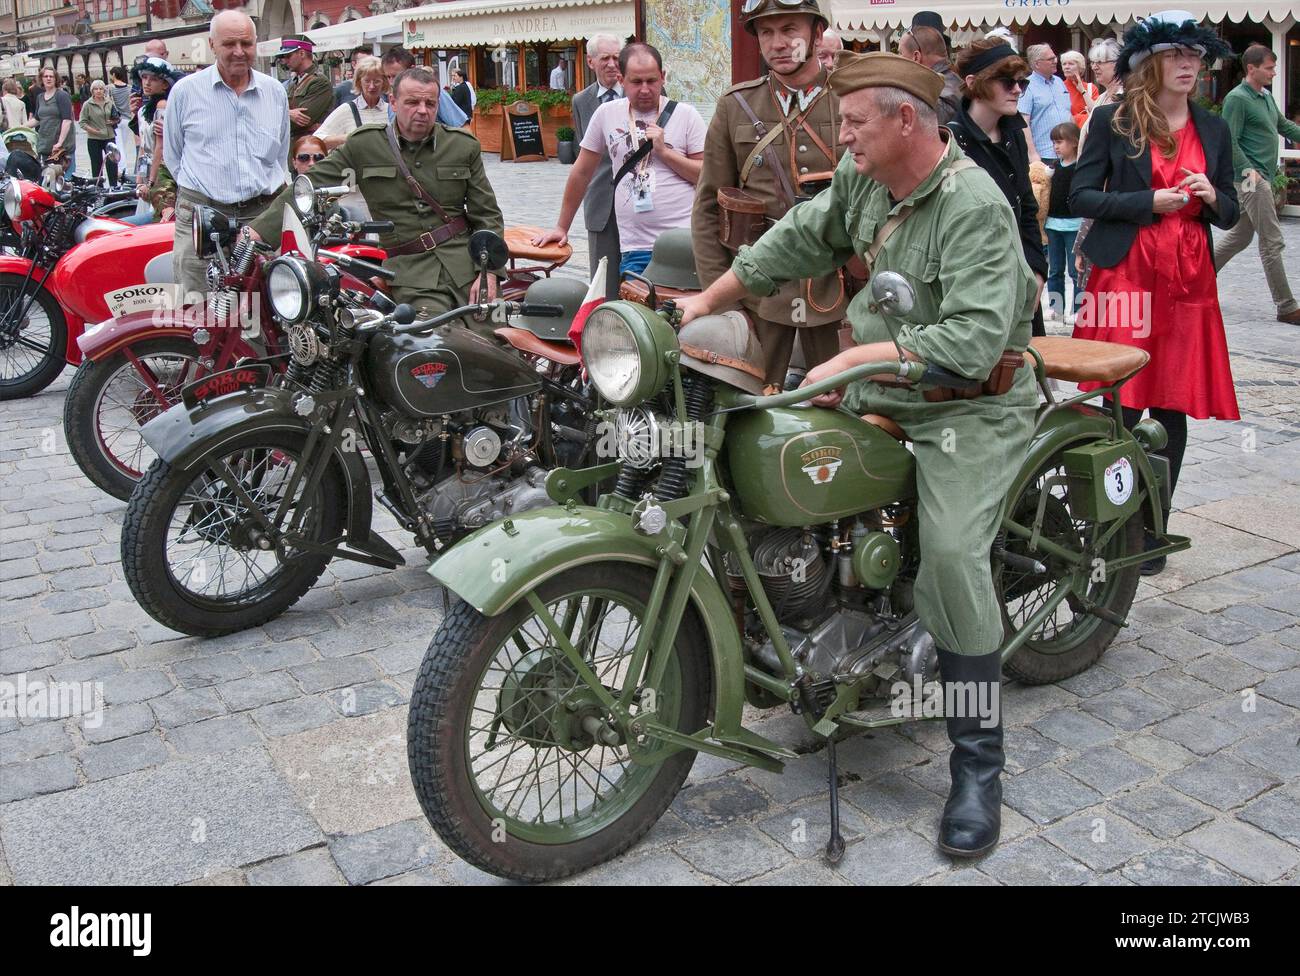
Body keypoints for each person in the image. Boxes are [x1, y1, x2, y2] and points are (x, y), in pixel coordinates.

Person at [679, 52, 1038, 860]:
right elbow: (800, 237)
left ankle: (979, 764)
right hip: (884, 386)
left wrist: (848, 362)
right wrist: (710, 297)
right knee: (766, 455)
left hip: (970, 407)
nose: (840, 137)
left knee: (950, 558)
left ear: (904, 120)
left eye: (852, 123)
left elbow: (979, 341)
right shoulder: (867, 183)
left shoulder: (974, 204)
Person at [1070, 11, 1239, 574]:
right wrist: (1148, 203)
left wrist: (1211, 194)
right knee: (1122, 402)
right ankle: (1112, 526)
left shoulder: (1213, 128)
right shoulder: (1114, 121)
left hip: (1189, 281)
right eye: (1175, 54)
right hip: (1127, 275)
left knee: (1171, 405)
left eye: (1195, 55)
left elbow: (1231, 211)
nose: (1189, 64)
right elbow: (1082, 198)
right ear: (1150, 64)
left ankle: (1151, 530)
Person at [249, 66, 503, 319]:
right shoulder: (365, 145)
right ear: (392, 102)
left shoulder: (461, 146)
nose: (423, 110)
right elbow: (309, 187)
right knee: (436, 343)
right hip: (412, 274)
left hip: (467, 267)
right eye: (412, 102)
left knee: (498, 345)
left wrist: (489, 272)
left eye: (430, 103)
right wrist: (257, 231)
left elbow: (487, 215)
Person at [693, 0, 847, 388]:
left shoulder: (850, 98)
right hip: (758, 289)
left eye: (790, 29)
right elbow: (709, 208)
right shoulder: (736, 106)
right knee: (746, 403)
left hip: (842, 287)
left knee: (849, 407)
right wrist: (724, 299)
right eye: (766, 32)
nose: (778, 43)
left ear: (816, 33)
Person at [534, 43, 706, 279]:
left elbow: (705, 175)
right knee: (639, 313)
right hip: (634, 246)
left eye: (652, 81)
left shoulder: (686, 115)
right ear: (622, 80)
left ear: (663, 78)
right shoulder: (607, 114)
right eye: (636, 82)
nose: (645, 89)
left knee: (682, 314)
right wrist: (561, 227)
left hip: (684, 244)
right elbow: (582, 172)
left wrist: (666, 153)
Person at [165, 10, 290, 303]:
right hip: (203, 216)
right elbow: (173, 157)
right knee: (199, 306)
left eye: (246, 44)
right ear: (212, 45)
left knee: (266, 309)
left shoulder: (274, 93)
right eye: (229, 44)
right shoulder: (186, 92)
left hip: (261, 215)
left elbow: (280, 156)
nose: (239, 52)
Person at [946, 38, 1048, 336]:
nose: (1017, 90)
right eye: (1007, 82)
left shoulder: (1013, 132)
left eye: (1021, 82)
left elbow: (1027, 209)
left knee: (1028, 371)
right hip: (976, 282)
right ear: (973, 82)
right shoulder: (951, 140)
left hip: (1021, 276)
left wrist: (1037, 271)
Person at [1213, 44, 1300, 325]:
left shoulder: (1264, 97)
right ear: (1251, 69)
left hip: (1262, 176)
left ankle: (1194, 279)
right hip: (1251, 180)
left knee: (1240, 236)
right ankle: (1287, 306)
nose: (1274, 72)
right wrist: (1251, 173)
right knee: (1272, 241)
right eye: (1270, 68)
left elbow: (1283, 125)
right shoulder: (1237, 99)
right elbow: (1229, 140)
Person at [568, 33, 624, 296]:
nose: (613, 64)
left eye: (617, 57)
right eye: (606, 58)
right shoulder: (582, 101)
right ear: (591, 62)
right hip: (600, 203)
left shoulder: (641, 91)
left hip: (639, 202)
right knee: (603, 282)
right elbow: (585, 157)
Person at [132, 58, 182, 223]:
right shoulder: (143, 110)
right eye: (144, 77)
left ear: (165, 84)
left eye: (153, 79)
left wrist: (151, 183)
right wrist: (139, 179)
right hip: (148, 169)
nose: (147, 83)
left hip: (160, 172)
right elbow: (142, 147)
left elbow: (160, 148)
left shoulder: (163, 105)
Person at [1045, 121, 1082, 321]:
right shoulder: (1053, 168)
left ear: (1074, 142)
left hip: (1074, 225)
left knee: (1076, 270)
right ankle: (1056, 307)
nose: (1056, 146)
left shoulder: (1080, 168)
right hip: (1053, 225)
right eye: (1054, 143)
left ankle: (1078, 309)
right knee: (1055, 269)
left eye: (1060, 142)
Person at [274, 34, 336, 153]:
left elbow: (303, 119)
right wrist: (288, 113)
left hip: (312, 153)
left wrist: (280, 114)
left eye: (288, 56)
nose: (284, 60)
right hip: (296, 150)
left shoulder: (319, 82)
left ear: (302, 54)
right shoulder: (294, 82)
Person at [381, 47, 467, 129]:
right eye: (388, 77)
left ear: (412, 69)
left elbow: (463, 127)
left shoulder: (434, 93)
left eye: (396, 76)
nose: (392, 83)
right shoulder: (393, 98)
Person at [316, 56, 388, 150]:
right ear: (359, 82)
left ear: (384, 82)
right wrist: (349, 138)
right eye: (367, 81)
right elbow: (316, 140)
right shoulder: (347, 110)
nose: (372, 86)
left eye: (377, 81)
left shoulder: (391, 110)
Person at [1018, 44, 1071, 164]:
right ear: (1037, 64)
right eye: (1050, 59)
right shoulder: (1027, 86)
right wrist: (1032, 154)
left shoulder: (1059, 82)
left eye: (1055, 57)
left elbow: (1068, 113)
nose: (1055, 61)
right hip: (1045, 155)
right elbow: (1023, 123)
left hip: (1068, 154)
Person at [898, 24, 961, 124]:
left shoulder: (933, 95)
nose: (898, 59)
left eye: (901, 53)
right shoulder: (952, 81)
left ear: (916, 57)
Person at [33, 68, 74, 176]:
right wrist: (19, 128)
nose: (48, 78)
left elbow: (67, 121)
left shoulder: (61, 95)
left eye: (51, 76)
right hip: (45, 147)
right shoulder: (40, 97)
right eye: (46, 76)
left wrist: (59, 143)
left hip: (61, 150)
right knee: (48, 183)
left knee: (64, 183)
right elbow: (37, 119)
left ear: (56, 79)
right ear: (41, 79)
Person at [79, 80, 120, 183]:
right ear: (92, 91)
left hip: (109, 137)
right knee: (96, 166)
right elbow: (82, 122)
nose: (98, 91)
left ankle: (114, 186)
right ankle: (98, 188)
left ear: (104, 90)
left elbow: (117, 117)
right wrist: (92, 130)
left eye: (101, 89)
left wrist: (114, 121)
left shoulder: (109, 102)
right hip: (94, 139)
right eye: (96, 89)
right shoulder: (87, 104)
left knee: (112, 164)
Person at [1060, 50, 1098, 129]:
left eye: (1071, 64)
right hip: (1066, 133)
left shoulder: (1091, 88)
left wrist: (1083, 91)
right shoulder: (1058, 87)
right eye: (1064, 64)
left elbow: (1096, 112)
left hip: (1086, 133)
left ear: (1080, 67)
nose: (1066, 67)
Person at [107, 66, 133, 172]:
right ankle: (124, 168)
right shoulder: (129, 88)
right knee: (125, 145)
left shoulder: (110, 88)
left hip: (117, 120)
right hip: (128, 119)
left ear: (113, 75)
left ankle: (122, 169)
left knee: (118, 146)